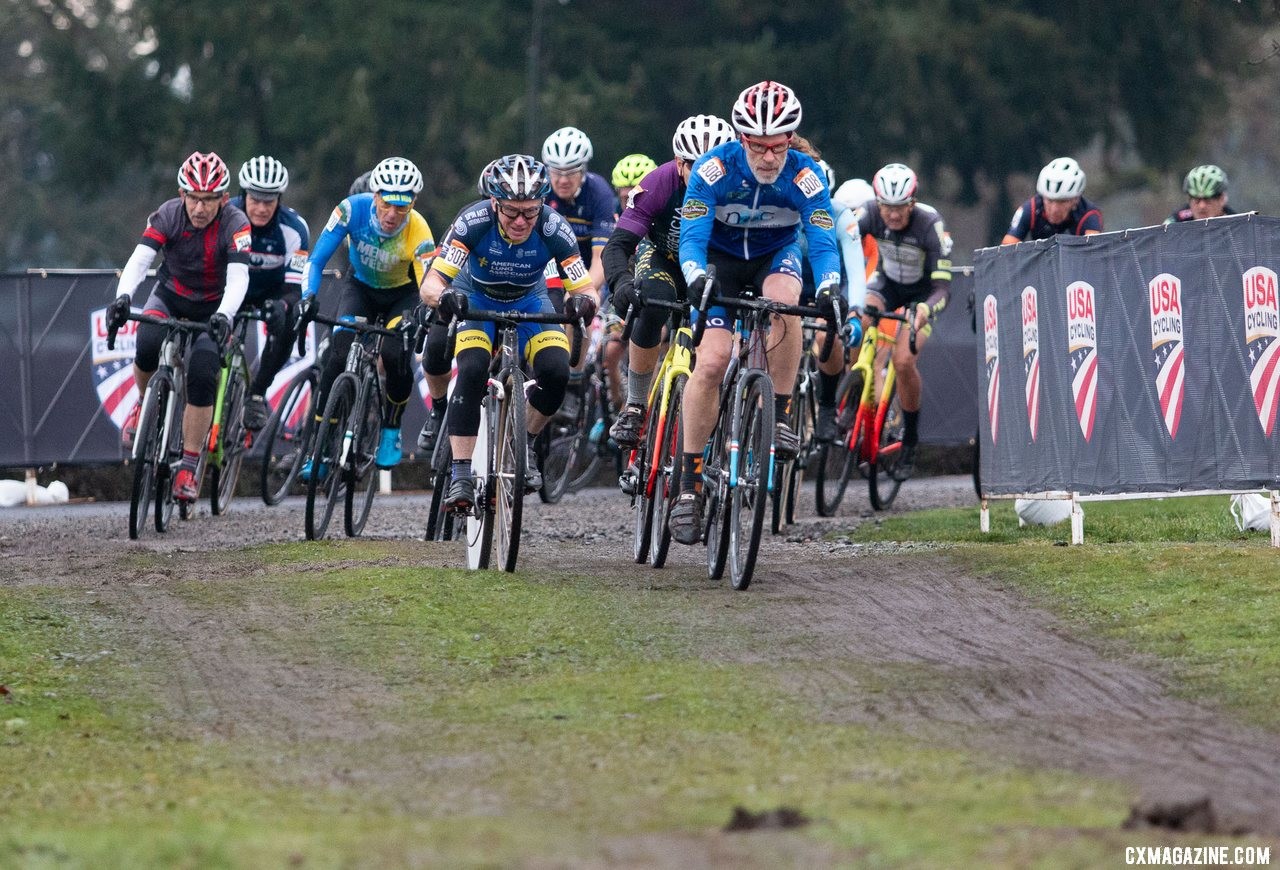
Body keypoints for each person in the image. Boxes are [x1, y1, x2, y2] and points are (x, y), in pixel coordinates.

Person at [670, 80, 842, 544]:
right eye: (758, 147)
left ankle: (780, 415)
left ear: (791, 138)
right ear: (741, 139)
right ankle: (688, 486)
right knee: (709, 362)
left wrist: (828, 286)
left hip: (774, 257)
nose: (769, 158)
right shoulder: (712, 169)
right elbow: (691, 239)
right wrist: (695, 277)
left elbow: (824, 240)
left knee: (787, 305)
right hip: (719, 263)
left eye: (778, 146)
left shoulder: (805, 176)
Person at [418, 154, 600, 509]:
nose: (521, 221)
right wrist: (445, 297)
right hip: (476, 298)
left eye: (530, 211)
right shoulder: (474, 221)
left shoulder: (553, 226)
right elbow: (432, 284)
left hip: (529, 301)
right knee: (471, 371)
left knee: (556, 371)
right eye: (512, 211)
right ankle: (461, 473)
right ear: (494, 203)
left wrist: (583, 303)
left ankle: (526, 444)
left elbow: (586, 290)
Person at [106, 151, 252, 503]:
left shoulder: (237, 224)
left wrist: (225, 315)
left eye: (209, 200)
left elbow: (238, 279)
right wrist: (123, 297)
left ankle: (187, 465)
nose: (200, 208)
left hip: (214, 306)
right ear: (182, 194)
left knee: (203, 374)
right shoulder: (168, 214)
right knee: (147, 341)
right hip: (170, 295)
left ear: (223, 198)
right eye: (194, 199)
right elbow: (140, 260)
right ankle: (144, 402)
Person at [602, 114, 737, 449]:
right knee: (650, 301)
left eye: (715, 166)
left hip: (713, 267)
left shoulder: (739, 188)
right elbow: (618, 245)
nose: (707, 176)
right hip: (665, 258)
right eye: (696, 167)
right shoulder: (657, 184)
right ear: (679, 163)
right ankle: (635, 405)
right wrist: (620, 282)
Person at [296, 156, 435, 475]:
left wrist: (421, 316)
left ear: (413, 202)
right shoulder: (349, 210)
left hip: (402, 296)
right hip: (359, 289)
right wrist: (308, 298)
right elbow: (315, 261)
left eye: (402, 207)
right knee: (336, 354)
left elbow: (428, 284)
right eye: (386, 204)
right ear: (374, 196)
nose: (392, 215)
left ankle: (390, 429)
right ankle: (321, 445)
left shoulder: (419, 230)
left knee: (395, 353)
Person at [853, 163, 953, 480]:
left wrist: (925, 310)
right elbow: (843, 244)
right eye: (887, 208)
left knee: (904, 361)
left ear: (912, 203)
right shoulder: (867, 213)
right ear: (877, 202)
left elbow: (942, 287)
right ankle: (852, 398)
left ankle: (909, 438)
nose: (893, 216)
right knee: (855, 323)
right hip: (887, 285)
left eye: (900, 208)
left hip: (922, 295)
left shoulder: (929, 224)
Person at [229, 155, 311, 430]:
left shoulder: (294, 229)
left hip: (273, 291)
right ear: (243, 196)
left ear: (279, 199)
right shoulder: (226, 218)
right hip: (230, 286)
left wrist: (284, 307)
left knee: (289, 324)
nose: (262, 208)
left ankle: (256, 392)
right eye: (256, 200)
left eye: (270, 201)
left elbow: (294, 288)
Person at [541, 126, 618, 416]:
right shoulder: (540, 189)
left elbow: (601, 259)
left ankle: (572, 381)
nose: (561, 179)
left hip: (585, 267)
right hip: (547, 265)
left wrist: (584, 290)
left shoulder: (598, 193)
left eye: (570, 172)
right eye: (555, 171)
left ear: (583, 170)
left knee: (578, 309)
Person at [1000, 156, 1102, 244]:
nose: (1054, 209)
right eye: (1049, 200)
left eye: (1062, 201)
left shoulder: (1089, 214)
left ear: (1075, 199)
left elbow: (1093, 252)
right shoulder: (1030, 208)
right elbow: (1008, 249)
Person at [1165, 164, 1233, 223]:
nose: (1201, 206)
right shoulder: (1178, 220)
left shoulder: (1235, 222)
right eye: (1196, 200)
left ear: (1222, 199)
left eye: (1207, 200)